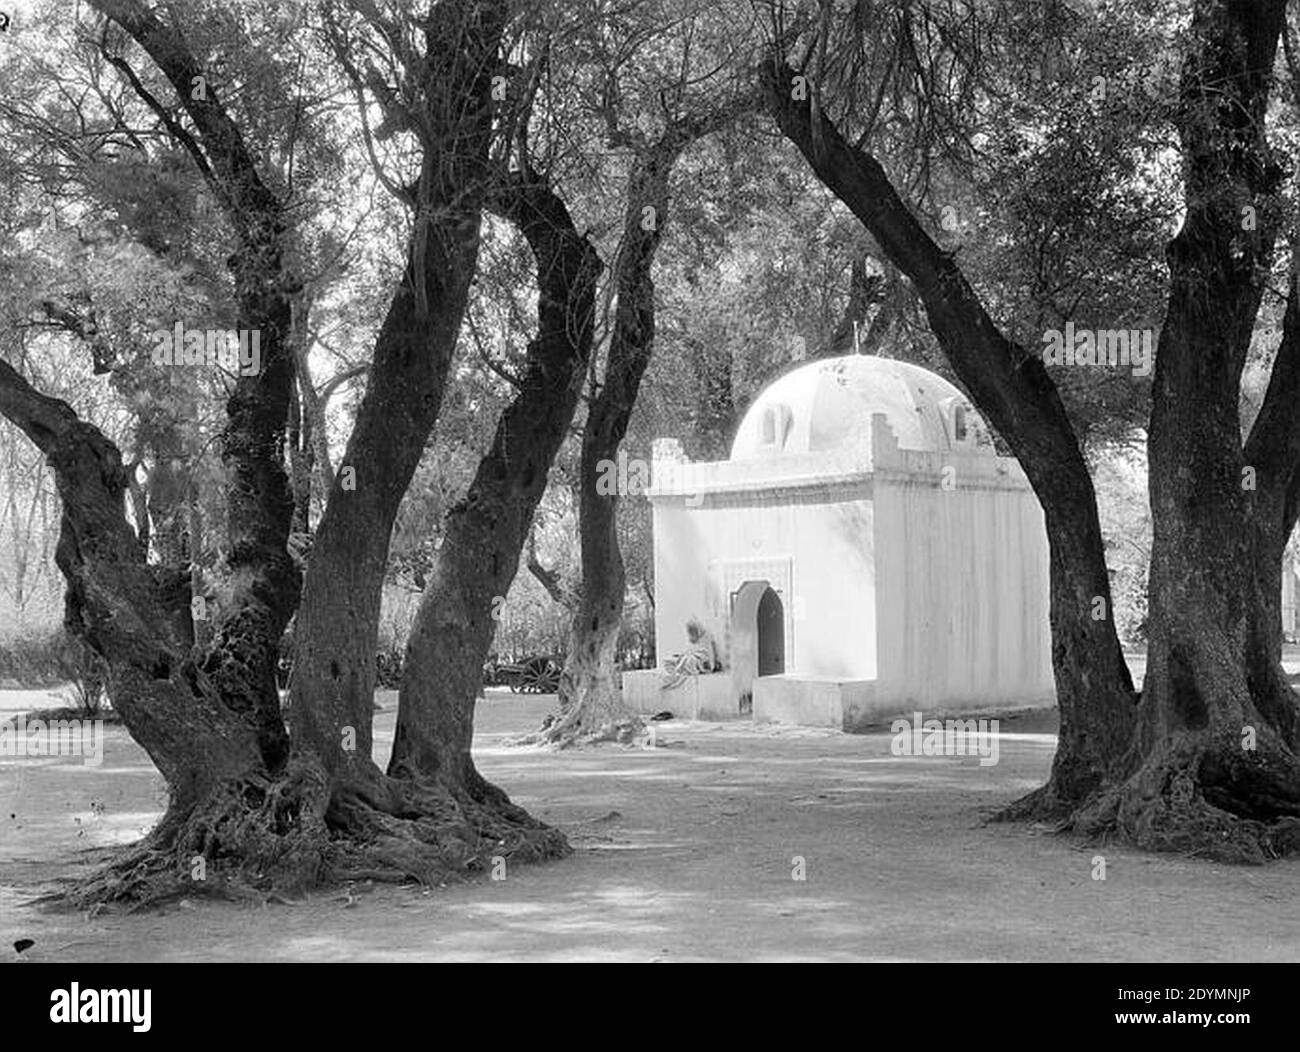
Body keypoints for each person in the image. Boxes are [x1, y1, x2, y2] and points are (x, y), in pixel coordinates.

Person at [660, 618, 718, 690]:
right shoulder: (691, 641)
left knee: (689, 660)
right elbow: (688, 651)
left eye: (693, 631)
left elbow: (706, 657)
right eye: (689, 631)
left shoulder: (705, 639)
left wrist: (690, 657)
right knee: (668, 660)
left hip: (700, 664)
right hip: (688, 661)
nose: (690, 633)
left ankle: (677, 674)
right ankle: (674, 675)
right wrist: (681, 656)